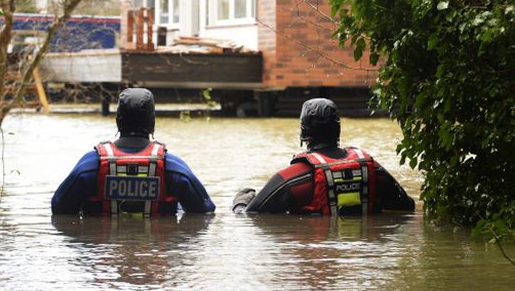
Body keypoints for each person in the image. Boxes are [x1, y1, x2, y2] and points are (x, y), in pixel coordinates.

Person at [232, 98, 415, 215]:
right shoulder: (372, 169)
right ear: (337, 129)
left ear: (304, 134)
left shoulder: (292, 178)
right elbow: (406, 207)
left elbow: (250, 215)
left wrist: (240, 201)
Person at [52, 88, 215, 216]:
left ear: (118, 120)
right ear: (152, 121)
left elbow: (59, 209)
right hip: (154, 254)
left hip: (102, 254)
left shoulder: (89, 166)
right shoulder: (174, 168)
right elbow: (205, 211)